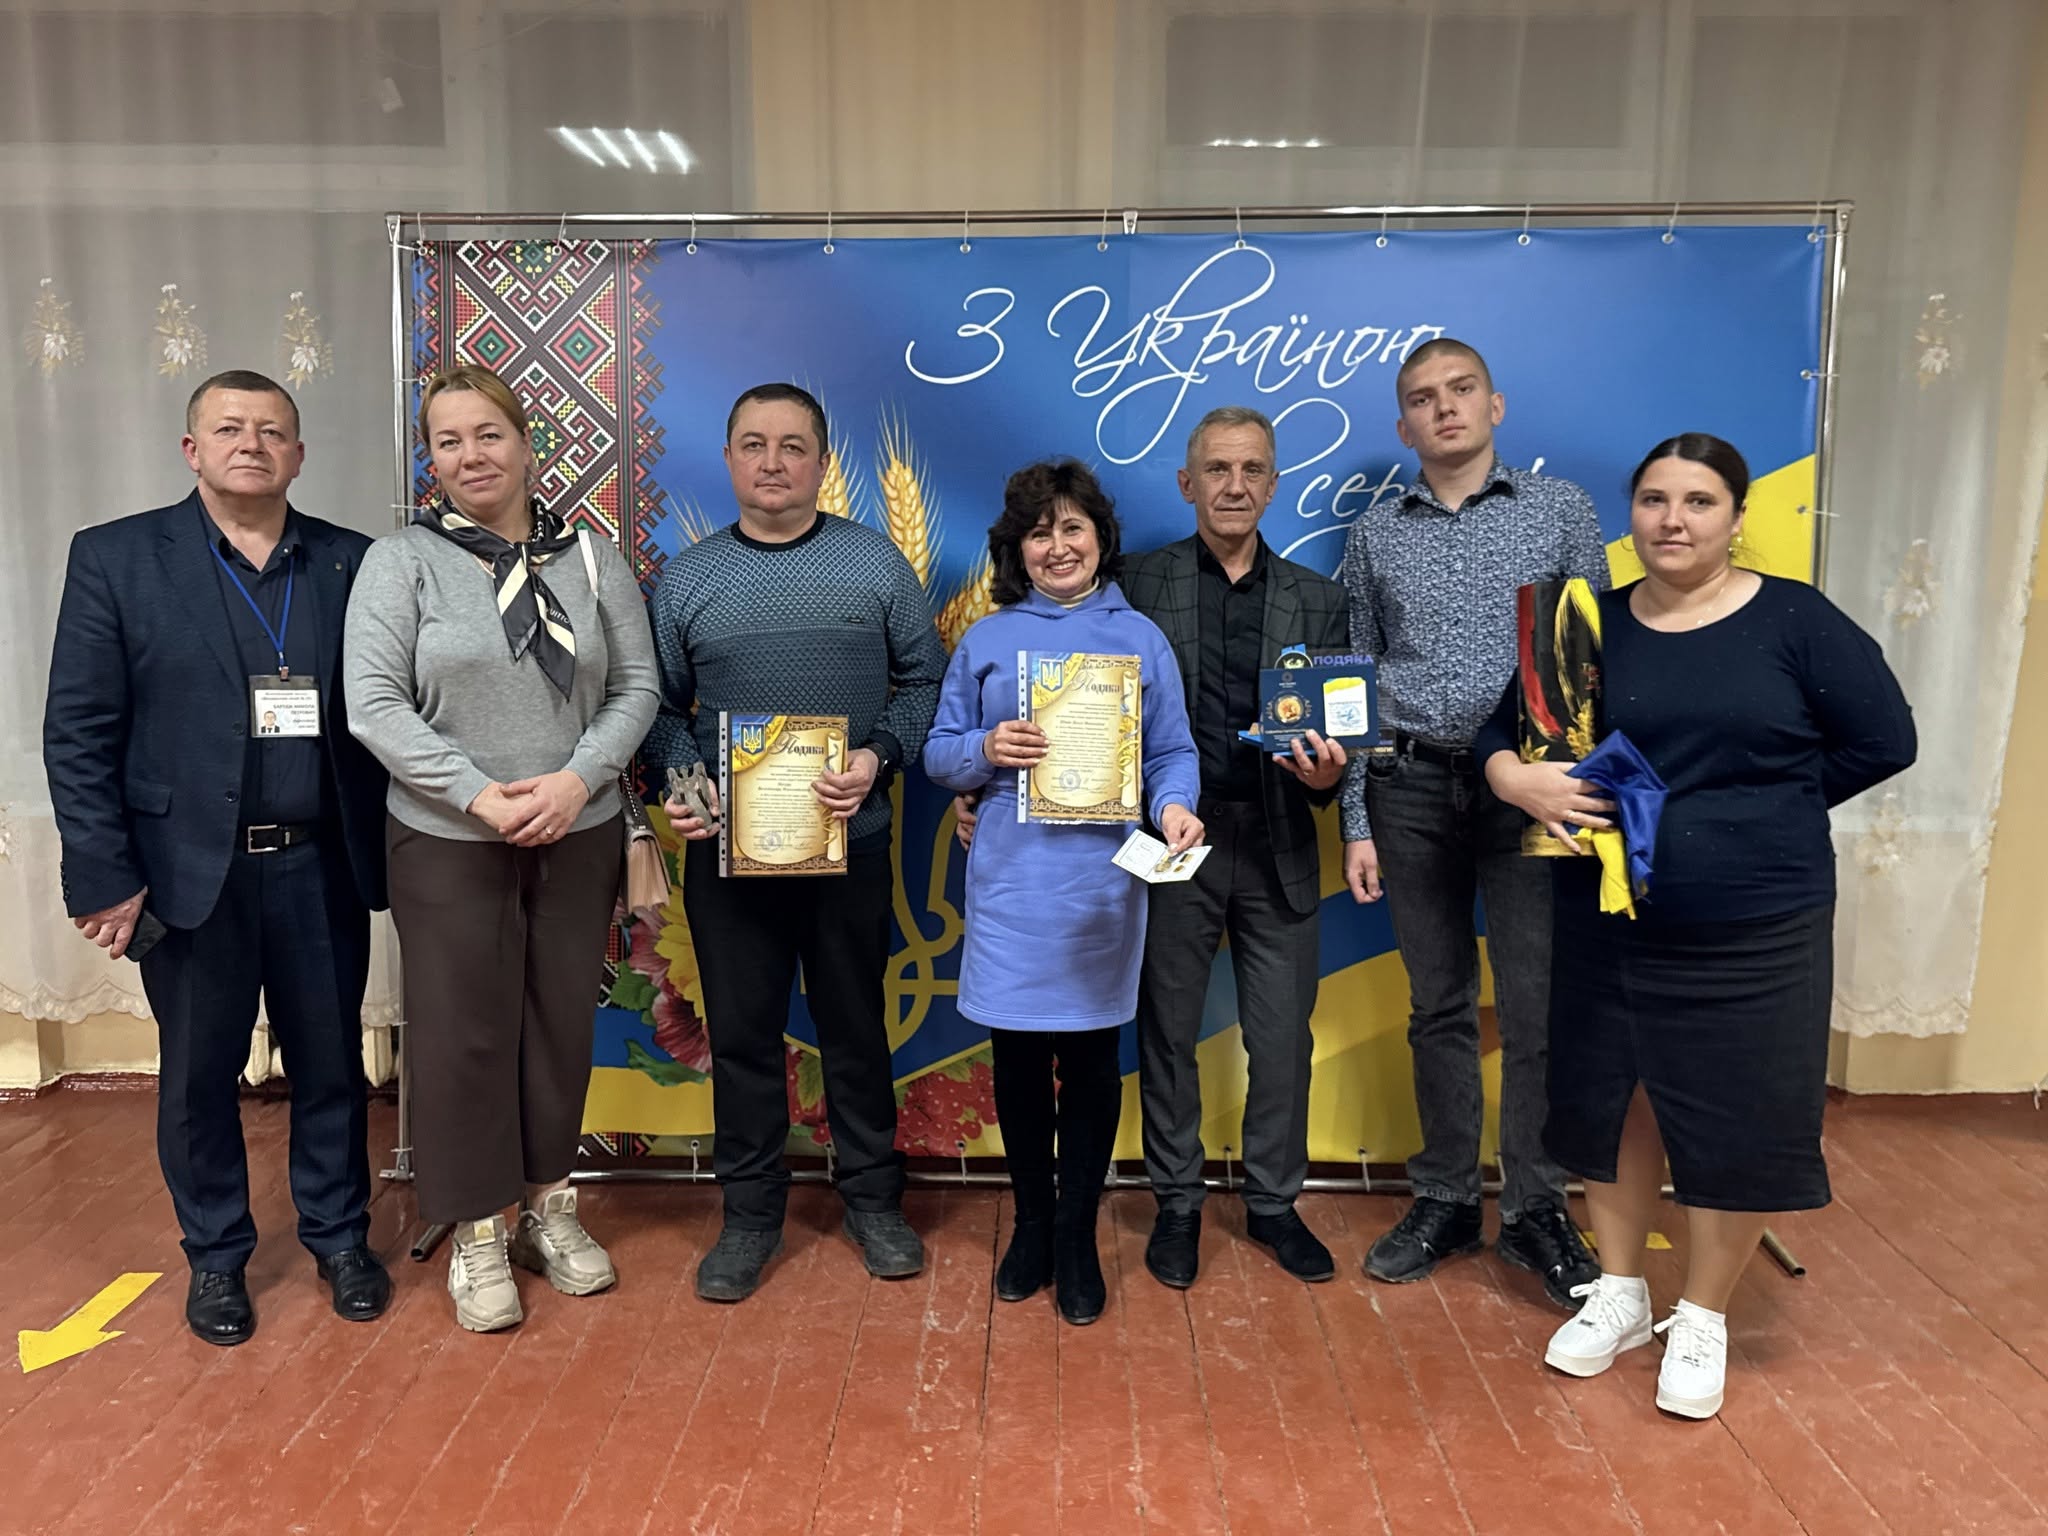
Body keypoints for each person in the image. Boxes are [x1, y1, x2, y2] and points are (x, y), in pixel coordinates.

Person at [1479, 433, 1913, 1418]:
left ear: (1736, 517)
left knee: (1735, 1115)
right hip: (1608, 919)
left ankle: (1705, 1312)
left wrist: (1765, 810)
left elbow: (1884, 738)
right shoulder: (1582, 623)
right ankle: (1620, 1291)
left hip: (1756, 924)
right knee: (1611, 1103)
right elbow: (1501, 734)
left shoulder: (1794, 619)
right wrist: (1511, 777)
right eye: (1653, 500)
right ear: (1629, 513)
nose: (1672, 521)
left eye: (1698, 501)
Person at [44, 370, 392, 1346]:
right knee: (198, 1075)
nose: (252, 444)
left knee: (331, 1063)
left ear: (299, 455)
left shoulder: (351, 563)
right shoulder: (117, 558)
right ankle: (216, 1255)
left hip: (321, 864)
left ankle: (339, 1239)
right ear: (192, 450)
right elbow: (79, 731)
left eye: (272, 431)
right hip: (189, 872)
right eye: (230, 428)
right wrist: (103, 873)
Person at [344, 363, 660, 1333]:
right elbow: (373, 704)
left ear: (526, 444)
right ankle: (477, 1227)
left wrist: (575, 781)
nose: (470, 455)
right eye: (448, 441)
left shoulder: (592, 560)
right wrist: (478, 795)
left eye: (488, 434)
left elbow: (636, 687)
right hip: (448, 838)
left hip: (576, 829)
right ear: (430, 459)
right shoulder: (401, 563)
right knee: (461, 1034)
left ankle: (547, 1207)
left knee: (559, 1025)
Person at [649, 382, 948, 1303]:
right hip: (729, 855)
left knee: (855, 1028)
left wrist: (879, 755)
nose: (772, 462)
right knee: (741, 1038)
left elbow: (925, 682)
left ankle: (873, 1201)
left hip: (851, 842)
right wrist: (683, 785)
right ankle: (749, 1217)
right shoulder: (687, 580)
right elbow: (658, 709)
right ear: (728, 458)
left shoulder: (875, 562)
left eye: (792, 446)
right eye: (754, 444)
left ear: (821, 462)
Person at [1338, 337, 1606, 1306]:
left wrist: (1581, 795)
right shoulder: (1376, 534)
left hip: (1534, 792)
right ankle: (1447, 1198)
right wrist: (1357, 817)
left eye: (1460, 390)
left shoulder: (1560, 511)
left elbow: (1592, 656)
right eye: (1422, 398)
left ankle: (1534, 1208)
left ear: (1495, 406)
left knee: (1535, 1009)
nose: (1443, 407)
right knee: (1438, 1003)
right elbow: (1356, 677)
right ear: (1402, 424)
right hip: (1409, 786)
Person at [925, 460, 1203, 1324]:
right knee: (1016, 1061)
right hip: (1012, 884)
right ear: (1017, 549)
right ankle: (1033, 1226)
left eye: (1072, 527)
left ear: (1099, 539)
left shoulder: (1141, 639)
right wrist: (984, 751)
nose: (1057, 546)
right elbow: (938, 752)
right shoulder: (987, 639)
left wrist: (1175, 806)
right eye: (1039, 532)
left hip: (1102, 887)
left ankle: (1078, 1235)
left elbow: (1172, 750)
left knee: (1088, 1063)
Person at [1122, 406, 1354, 1289]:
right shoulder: (1135, 583)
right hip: (1172, 836)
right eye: (1217, 469)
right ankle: (1177, 1203)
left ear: (1274, 484)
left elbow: (1339, 747)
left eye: (1252, 469)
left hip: (1278, 836)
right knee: (1167, 1032)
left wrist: (1327, 776)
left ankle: (1273, 1204)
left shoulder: (1319, 601)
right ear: (1188, 483)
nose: (1234, 485)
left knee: (1282, 1038)